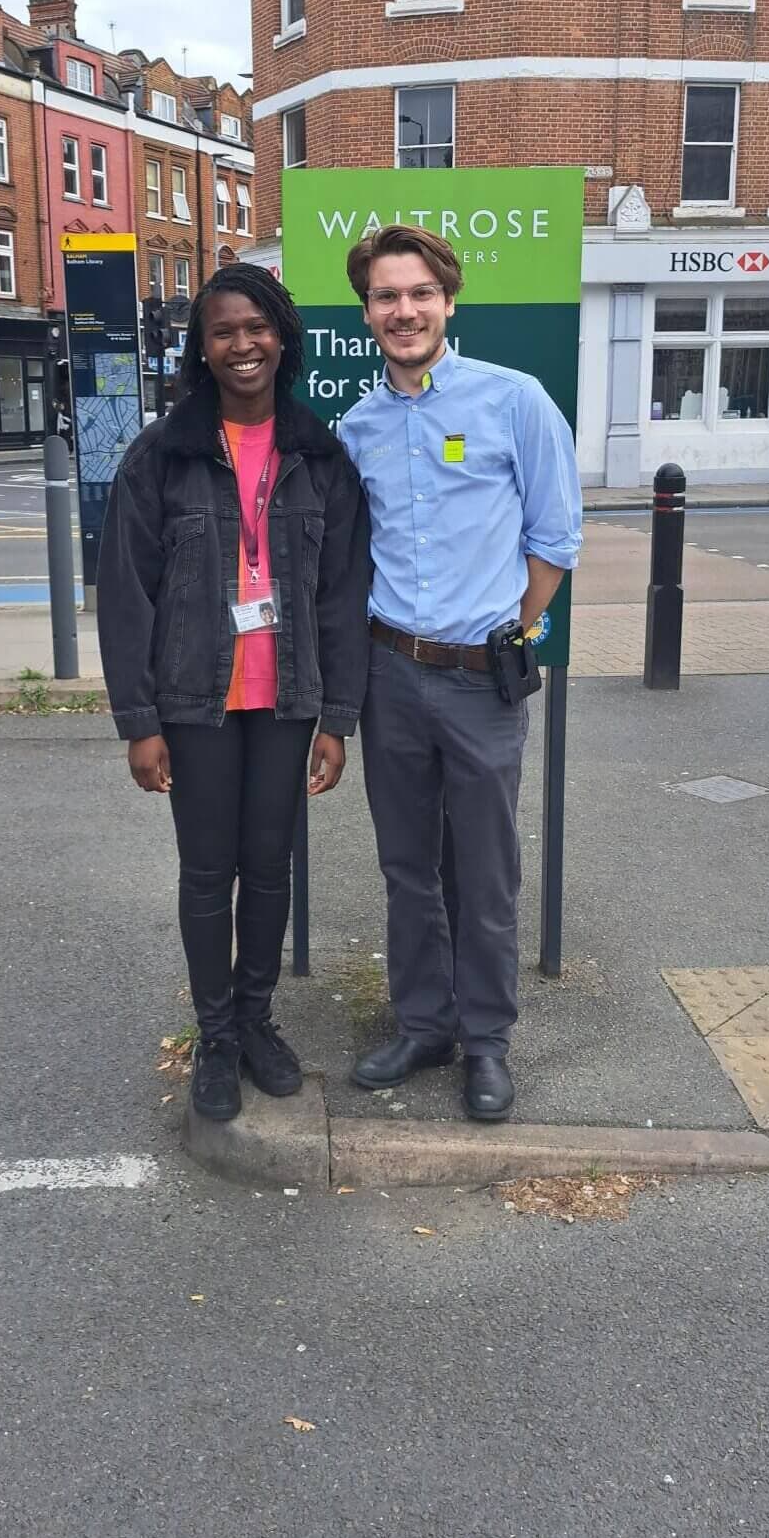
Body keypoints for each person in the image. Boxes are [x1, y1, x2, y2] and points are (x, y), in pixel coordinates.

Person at [98, 262, 372, 1124]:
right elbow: (124, 596)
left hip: (288, 699)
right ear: (202, 349)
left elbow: (341, 593)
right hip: (195, 701)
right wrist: (139, 724)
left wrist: (338, 717)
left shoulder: (320, 457)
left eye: (257, 327)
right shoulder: (161, 457)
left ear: (282, 337)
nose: (242, 344)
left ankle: (256, 1021)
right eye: (223, 331)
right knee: (208, 870)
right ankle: (215, 1035)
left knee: (270, 868)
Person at [338, 226, 582, 1123]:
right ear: (367, 312)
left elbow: (554, 536)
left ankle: (486, 1042)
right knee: (407, 868)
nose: (403, 311)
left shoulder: (514, 402)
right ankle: (423, 1024)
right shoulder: (358, 427)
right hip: (389, 673)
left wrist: (510, 632)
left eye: (418, 295)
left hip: (482, 682)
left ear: (449, 301)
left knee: (484, 872)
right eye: (385, 297)